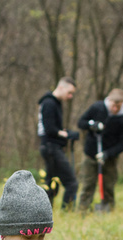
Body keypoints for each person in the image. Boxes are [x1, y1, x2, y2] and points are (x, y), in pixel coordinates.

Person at [76, 88, 123, 213]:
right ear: (109, 101)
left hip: (109, 158)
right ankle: (82, 211)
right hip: (90, 154)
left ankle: (108, 211)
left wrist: (107, 154)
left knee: (108, 186)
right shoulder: (97, 108)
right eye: (114, 105)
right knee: (88, 184)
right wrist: (92, 124)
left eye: (119, 106)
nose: (116, 109)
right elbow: (81, 123)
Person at [38, 77, 79, 209]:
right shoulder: (49, 103)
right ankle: (67, 212)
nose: (70, 96)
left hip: (50, 147)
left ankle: (43, 213)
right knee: (71, 183)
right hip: (51, 148)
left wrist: (63, 133)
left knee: (51, 185)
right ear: (61, 87)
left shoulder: (53, 103)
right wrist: (66, 134)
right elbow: (50, 129)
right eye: (69, 92)